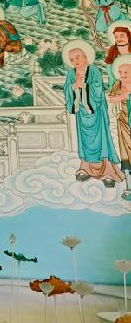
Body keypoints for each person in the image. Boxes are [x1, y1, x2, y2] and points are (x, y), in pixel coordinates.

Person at [62, 40, 121, 187]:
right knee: (85, 141)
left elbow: (98, 88)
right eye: (72, 59)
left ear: (86, 57)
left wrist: (84, 86)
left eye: (78, 57)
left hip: (96, 112)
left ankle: (107, 171)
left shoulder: (93, 70)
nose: (75, 61)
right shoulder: (71, 74)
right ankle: (86, 168)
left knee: (101, 140)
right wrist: (73, 87)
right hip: (82, 113)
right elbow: (67, 89)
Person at [109, 55, 131, 201]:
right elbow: (112, 98)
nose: (122, 75)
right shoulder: (117, 84)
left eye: (126, 72)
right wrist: (122, 97)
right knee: (126, 155)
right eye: (120, 72)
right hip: (123, 122)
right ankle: (129, 187)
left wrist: (126, 96)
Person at [105, 22, 131, 86]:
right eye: (116, 37)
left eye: (122, 36)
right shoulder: (113, 49)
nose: (119, 39)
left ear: (128, 36)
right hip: (117, 76)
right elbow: (109, 65)